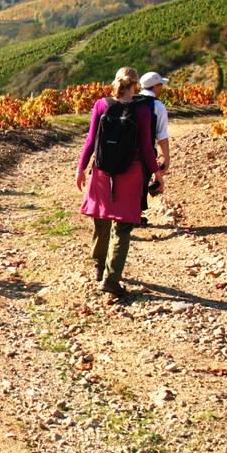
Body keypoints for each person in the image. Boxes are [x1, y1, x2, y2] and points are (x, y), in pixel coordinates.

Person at [75, 67, 163, 299]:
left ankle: (98, 266)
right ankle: (111, 279)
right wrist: (157, 173)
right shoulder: (144, 109)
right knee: (122, 227)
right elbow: (146, 147)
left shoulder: (102, 105)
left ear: (115, 82)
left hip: (102, 172)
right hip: (130, 172)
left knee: (100, 219)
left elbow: (91, 140)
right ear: (135, 85)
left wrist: (81, 168)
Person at [137, 71, 171, 224]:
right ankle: (134, 216)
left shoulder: (131, 100)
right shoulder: (157, 106)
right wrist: (166, 157)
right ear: (156, 86)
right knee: (142, 181)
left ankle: (126, 214)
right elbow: (161, 135)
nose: (162, 88)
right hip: (145, 149)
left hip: (126, 149)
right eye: (161, 85)